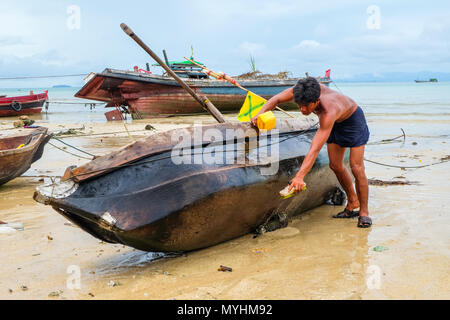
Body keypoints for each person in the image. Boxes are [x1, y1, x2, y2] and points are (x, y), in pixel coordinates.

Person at [251, 77, 372, 228]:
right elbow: (276, 99)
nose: (302, 110)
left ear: (316, 101)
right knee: (335, 165)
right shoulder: (302, 91)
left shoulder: (328, 111)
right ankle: (353, 201)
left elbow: (314, 149)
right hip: (335, 124)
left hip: (352, 122)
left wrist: (300, 177)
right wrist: (260, 113)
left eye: (306, 106)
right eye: (299, 105)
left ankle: (364, 213)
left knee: (356, 167)